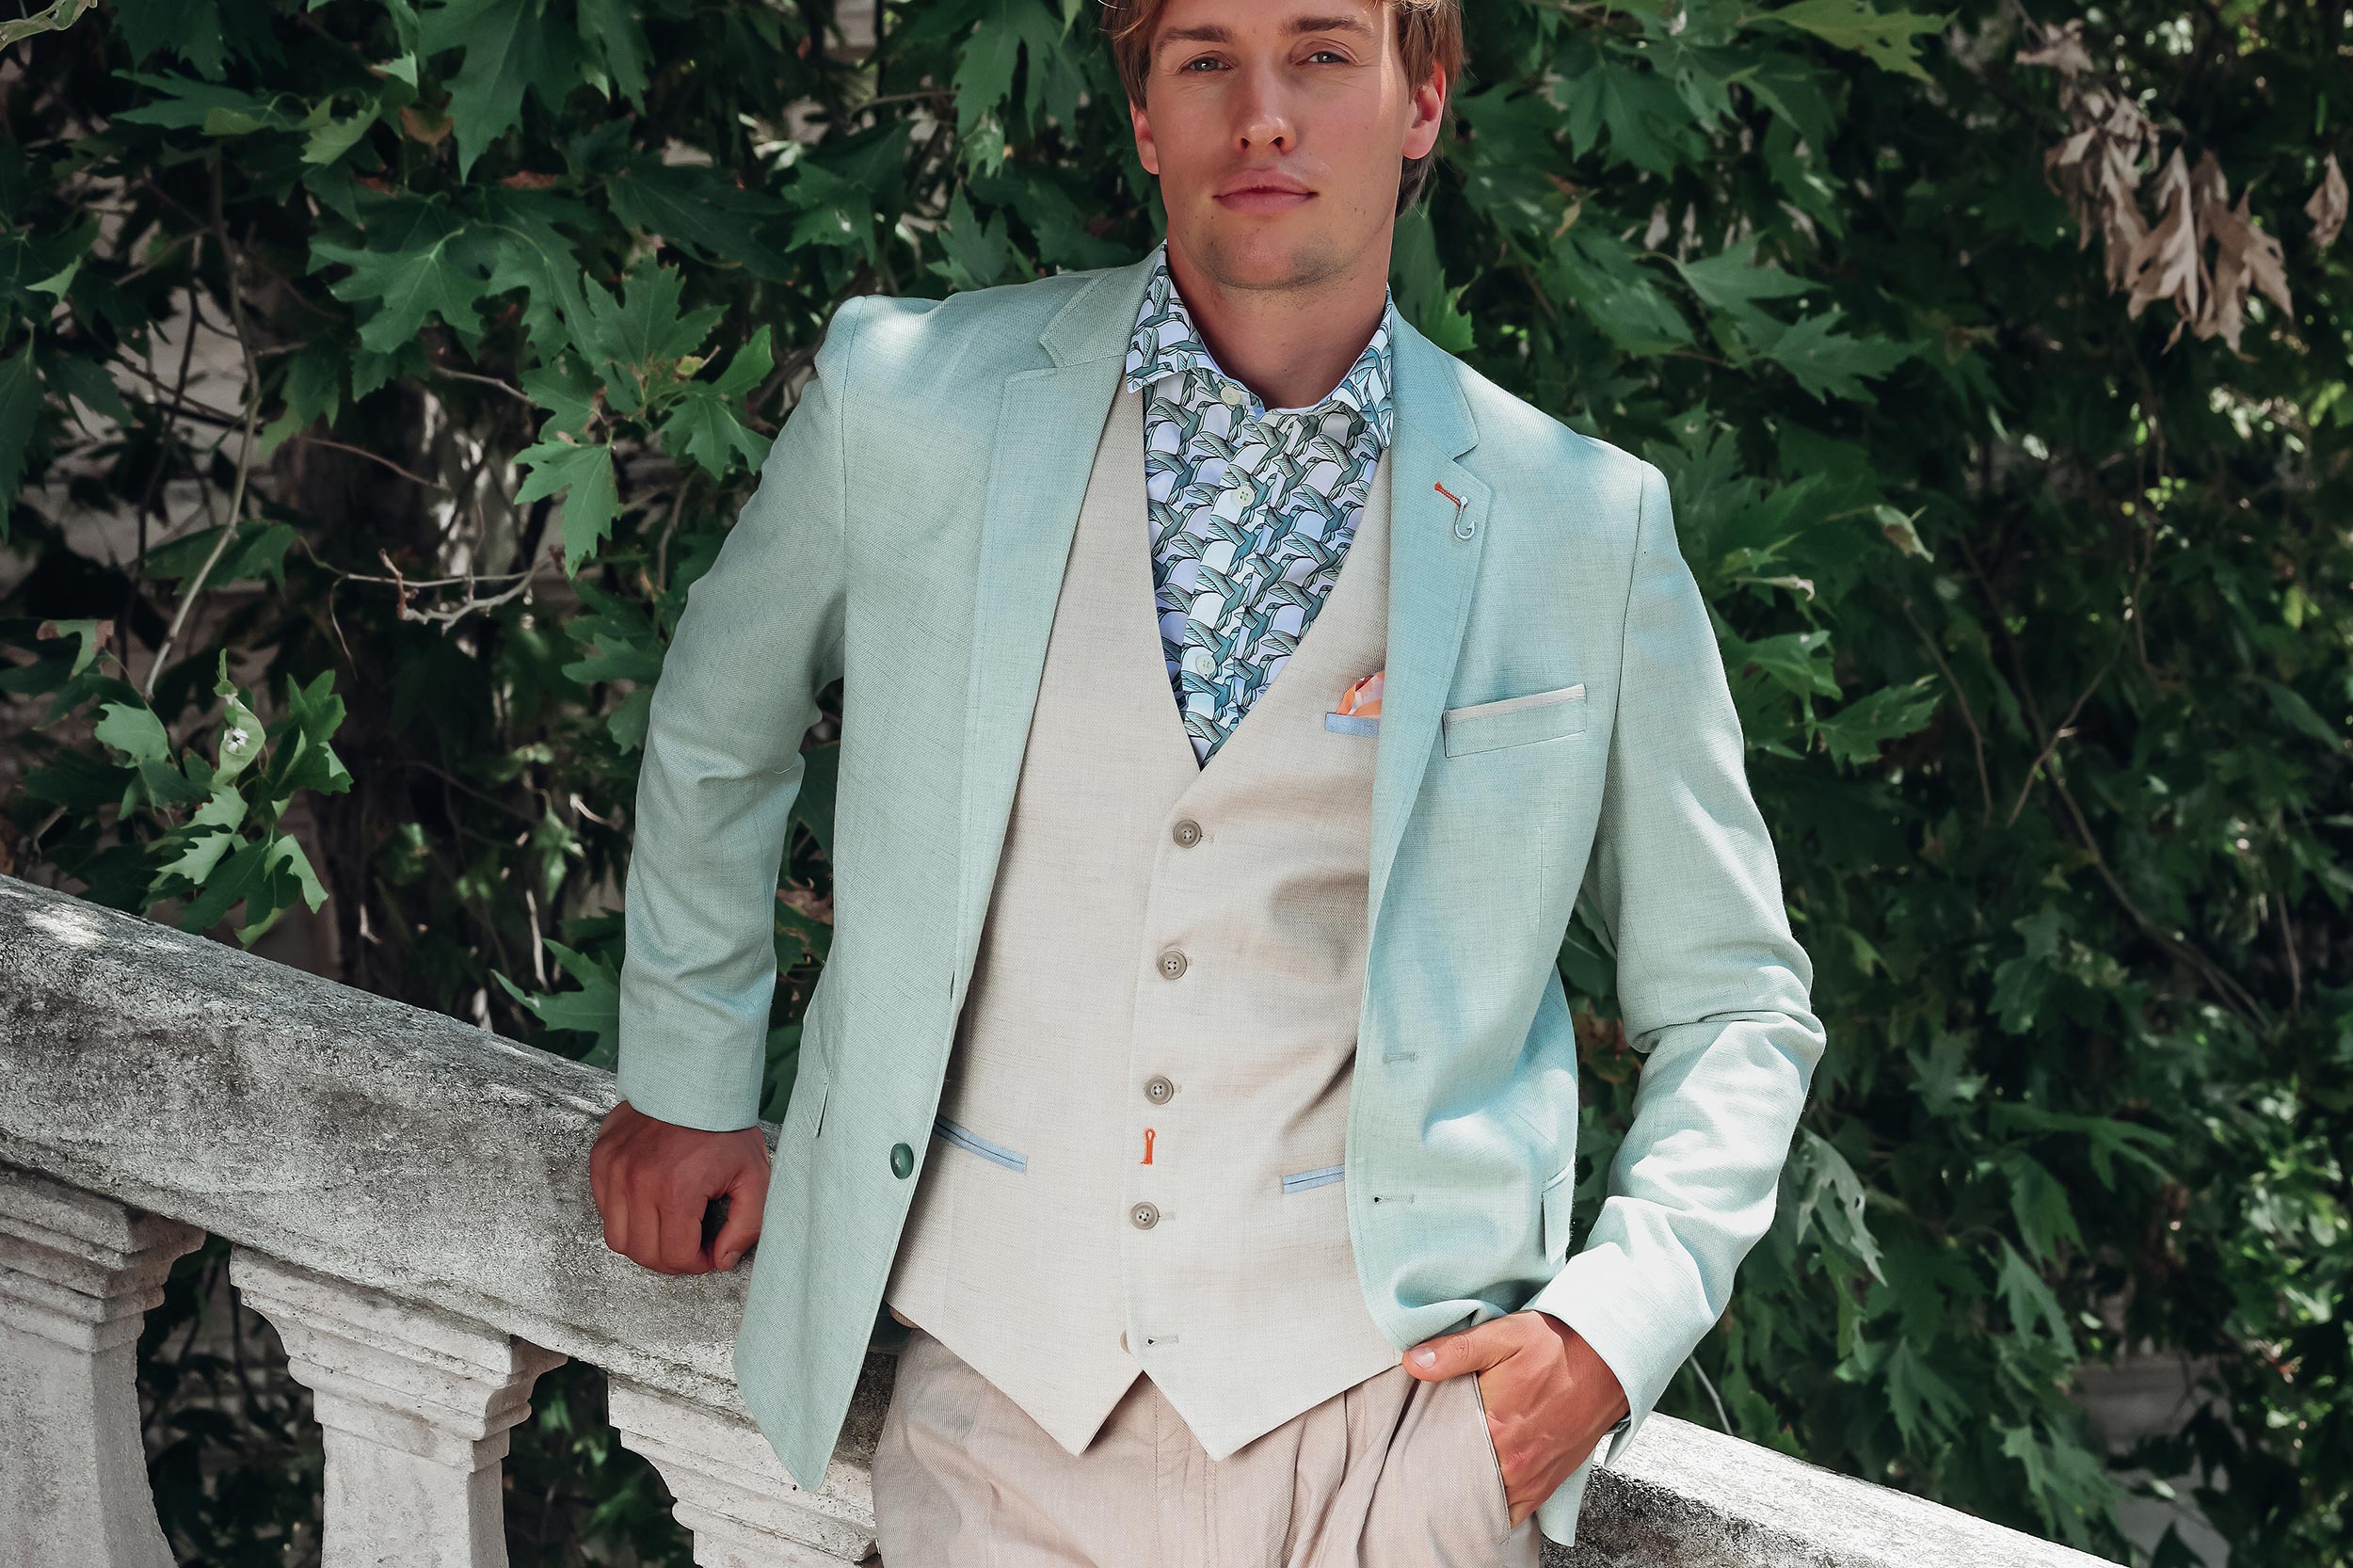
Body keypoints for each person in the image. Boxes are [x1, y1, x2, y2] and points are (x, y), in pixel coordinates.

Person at [589, 0, 1826, 1560]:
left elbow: (1736, 1000)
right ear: (1143, 113)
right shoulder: (912, 402)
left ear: (1424, 99)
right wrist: (688, 1075)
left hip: (1395, 1455)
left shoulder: (1578, 522)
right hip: (995, 1424)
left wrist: (1611, 1328)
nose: (1264, 113)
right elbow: (723, 719)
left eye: (1324, 53)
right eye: (1204, 60)